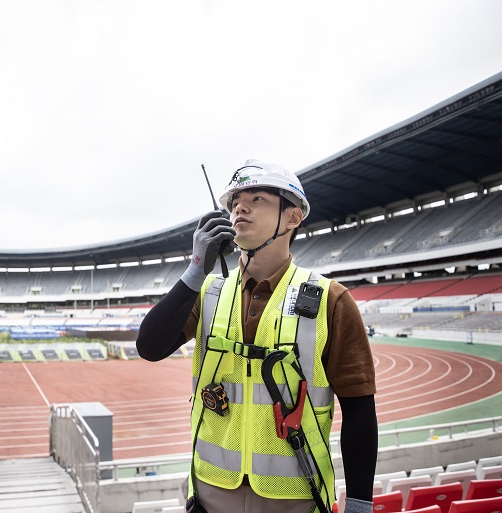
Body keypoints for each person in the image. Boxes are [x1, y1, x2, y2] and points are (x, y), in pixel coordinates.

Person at [136, 160, 377, 513]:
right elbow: (149, 346)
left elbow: (358, 411)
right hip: (210, 493)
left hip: (296, 498)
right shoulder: (208, 292)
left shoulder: (331, 300)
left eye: (257, 198)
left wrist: (359, 505)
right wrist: (195, 268)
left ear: (293, 218)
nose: (240, 208)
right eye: (234, 202)